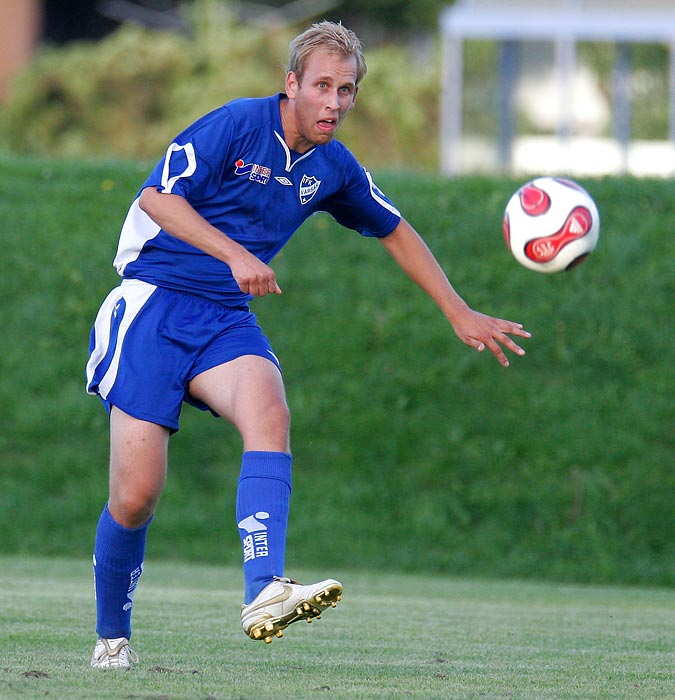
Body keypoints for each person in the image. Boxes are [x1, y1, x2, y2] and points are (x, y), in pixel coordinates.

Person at [85, 20, 531, 669]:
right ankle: (111, 638)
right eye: (321, 85)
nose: (334, 102)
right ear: (290, 84)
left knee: (269, 407)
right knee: (135, 496)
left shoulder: (333, 167)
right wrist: (235, 254)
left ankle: (264, 589)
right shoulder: (235, 124)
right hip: (153, 303)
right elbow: (156, 198)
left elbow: (395, 230)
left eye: (346, 90)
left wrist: (457, 310)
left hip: (224, 317)